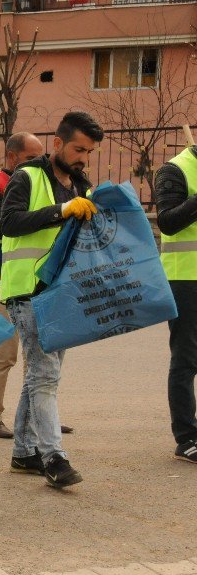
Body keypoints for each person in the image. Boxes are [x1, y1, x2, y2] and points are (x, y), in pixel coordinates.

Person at [0, 111, 103, 488]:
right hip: (27, 291)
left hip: (63, 293)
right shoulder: (26, 176)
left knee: (40, 375)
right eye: (78, 149)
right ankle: (53, 456)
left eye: (89, 152)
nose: (83, 158)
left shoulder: (82, 185)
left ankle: (24, 453)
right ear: (57, 143)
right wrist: (60, 211)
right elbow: (7, 222)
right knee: (44, 374)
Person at [0, 133, 44, 439]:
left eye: (41, 157)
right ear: (12, 157)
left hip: (36, 281)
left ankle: (40, 416)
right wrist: (36, 219)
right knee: (5, 354)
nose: (38, 164)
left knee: (39, 355)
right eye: (31, 158)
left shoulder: (39, 184)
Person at [155, 133, 197, 463]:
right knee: (186, 359)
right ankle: (186, 437)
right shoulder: (175, 170)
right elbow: (167, 222)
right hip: (186, 279)